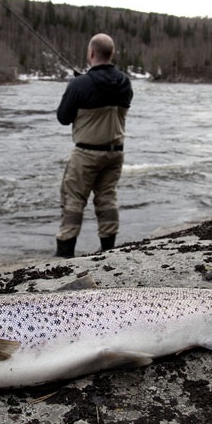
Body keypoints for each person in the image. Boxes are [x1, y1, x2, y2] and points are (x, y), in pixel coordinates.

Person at [55, 33, 133, 258]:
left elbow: (63, 117)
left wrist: (79, 85)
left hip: (86, 153)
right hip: (115, 153)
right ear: (112, 54)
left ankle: (65, 251)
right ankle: (108, 248)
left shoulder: (80, 84)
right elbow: (108, 94)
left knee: (74, 199)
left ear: (91, 53)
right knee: (107, 197)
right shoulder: (125, 82)